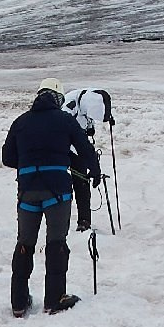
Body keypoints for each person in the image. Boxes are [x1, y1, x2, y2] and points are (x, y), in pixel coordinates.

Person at [1, 76, 102, 317]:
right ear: (58, 98)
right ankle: (54, 299)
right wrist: (94, 172)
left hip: (27, 191)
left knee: (25, 244)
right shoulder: (65, 120)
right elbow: (84, 148)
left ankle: (18, 302)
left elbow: (7, 158)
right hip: (57, 191)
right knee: (56, 243)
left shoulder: (21, 122)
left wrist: (27, 164)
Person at [63, 86, 115, 230]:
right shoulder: (69, 106)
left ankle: (84, 222)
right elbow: (77, 142)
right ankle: (66, 223)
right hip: (64, 150)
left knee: (82, 185)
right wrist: (93, 167)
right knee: (71, 186)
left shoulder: (86, 101)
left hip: (78, 148)